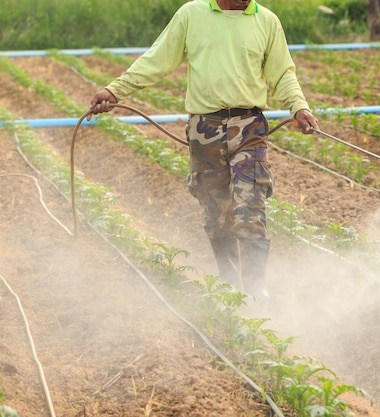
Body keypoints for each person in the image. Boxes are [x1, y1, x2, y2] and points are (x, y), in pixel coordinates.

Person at [88, 0, 319, 299]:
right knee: (216, 212)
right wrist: (115, 90)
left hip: (248, 125)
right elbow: (156, 60)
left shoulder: (267, 21)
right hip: (204, 129)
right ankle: (230, 286)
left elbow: (282, 73)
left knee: (250, 205)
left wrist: (299, 107)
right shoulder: (191, 15)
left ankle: (255, 290)